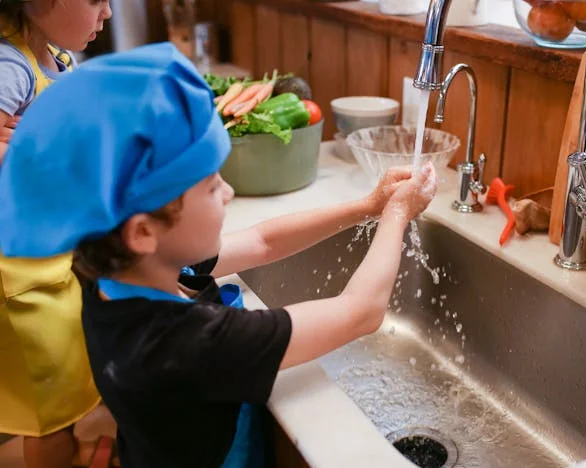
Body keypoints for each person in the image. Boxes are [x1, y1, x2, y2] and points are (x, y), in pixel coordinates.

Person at [0, 43, 437, 467]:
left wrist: (368, 205)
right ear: (143, 231)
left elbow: (264, 241)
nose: (228, 193)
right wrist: (397, 214)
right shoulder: (190, 341)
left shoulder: (116, 271)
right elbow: (361, 311)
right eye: (211, 185)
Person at [0, 1, 113, 467]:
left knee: (72, 393)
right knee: (50, 414)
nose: (106, 14)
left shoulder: (59, 57)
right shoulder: (10, 65)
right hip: (23, 277)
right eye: (95, 0)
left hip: (56, 262)